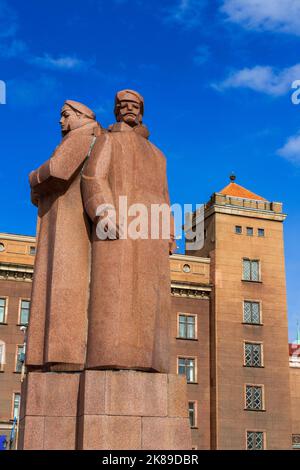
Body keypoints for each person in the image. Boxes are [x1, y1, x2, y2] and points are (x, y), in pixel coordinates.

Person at [81, 90, 172, 372]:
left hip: (152, 233)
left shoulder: (158, 154)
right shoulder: (108, 140)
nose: (128, 109)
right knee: (115, 293)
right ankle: (111, 357)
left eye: (133, 105)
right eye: (122, 106)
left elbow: (165, 195)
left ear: (141, 110)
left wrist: (168, 233)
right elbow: (93, 177)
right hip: (117, 227)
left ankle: (151, 362)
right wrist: (104, 212)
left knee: (151, 299)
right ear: (116, 111)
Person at [26, 100, 102, 371]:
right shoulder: (81, 136)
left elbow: (57, 170)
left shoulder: (84, 135)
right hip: (61, 220)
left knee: (62, 283)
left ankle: (62, 355)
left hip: (70, 225)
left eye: (65, 115)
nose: (60, 121)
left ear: (80, 116)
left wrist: (33, 176)